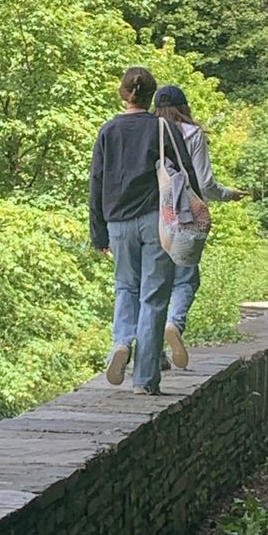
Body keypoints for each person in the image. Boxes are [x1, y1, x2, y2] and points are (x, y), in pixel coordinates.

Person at [90, 67, 201, 395]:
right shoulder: (164, 128)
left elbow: (96, 183)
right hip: (158, 221)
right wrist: (192, 219)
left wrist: (99, 233)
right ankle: (145, 379)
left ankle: (121, 343)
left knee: (126, 286)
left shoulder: (108, 131)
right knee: (154, 296)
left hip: (117, 222)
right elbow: (186, 174)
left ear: (123, 93)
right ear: (151, 95)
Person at [153, 84, 246, 371]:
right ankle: (174, 324)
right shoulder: (193, 134)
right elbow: (204, 183)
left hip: (154, 217)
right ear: (185, 107)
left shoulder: (151, 132)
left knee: (154, 286)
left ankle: (154, 354)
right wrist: (229, 194)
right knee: (187, 280)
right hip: (185, 217)